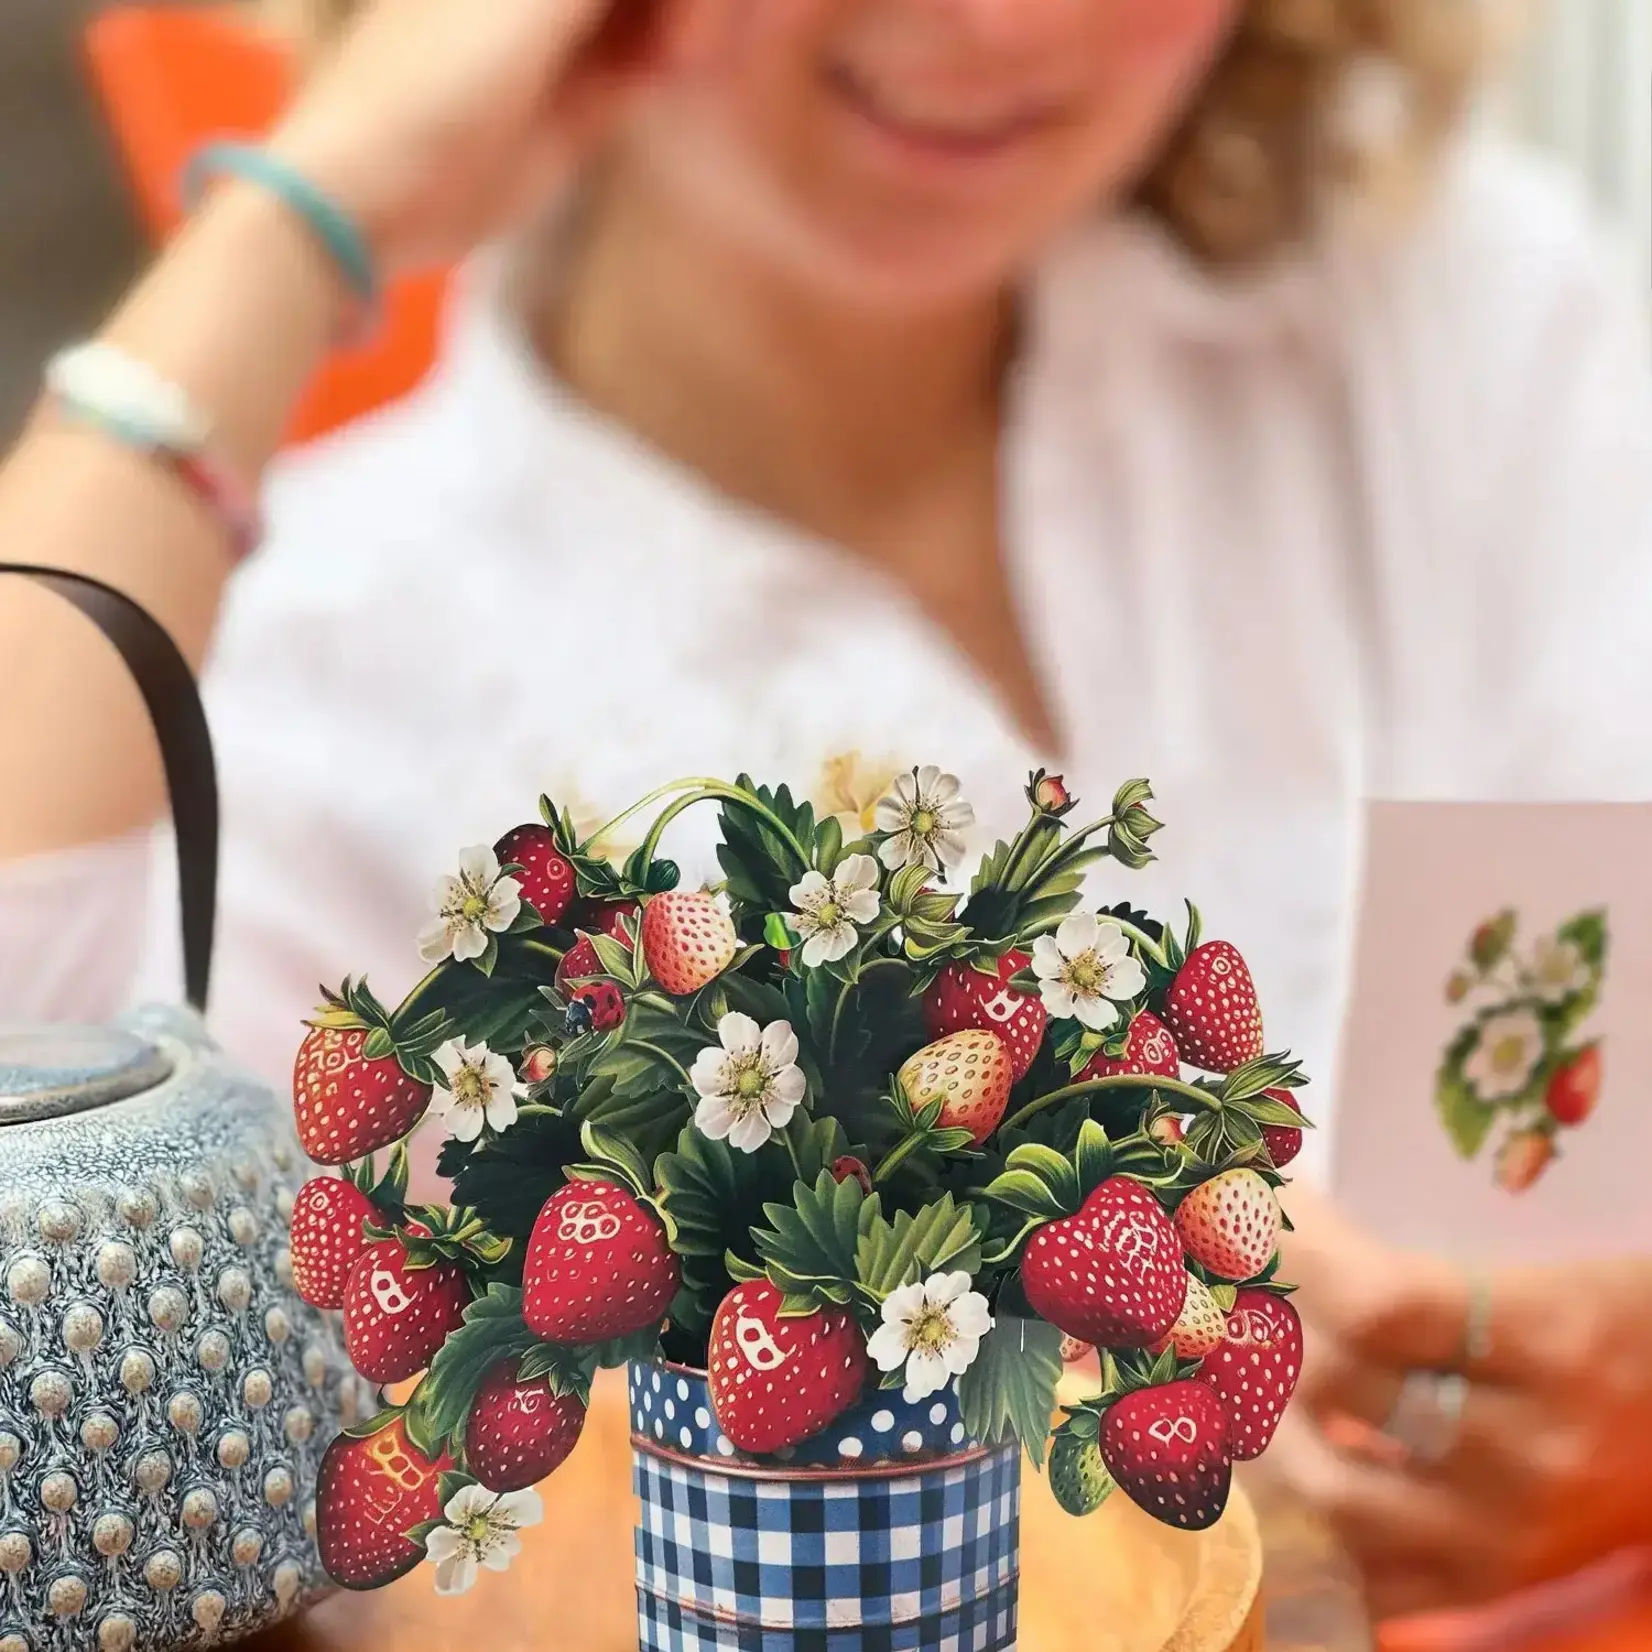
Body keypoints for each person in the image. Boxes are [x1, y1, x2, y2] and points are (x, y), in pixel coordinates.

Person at [1, 0, 1649, 1622]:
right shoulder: (304, 686)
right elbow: (32, 1230)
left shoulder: (1443, 320)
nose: (1007, 27)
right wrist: (307, 205)